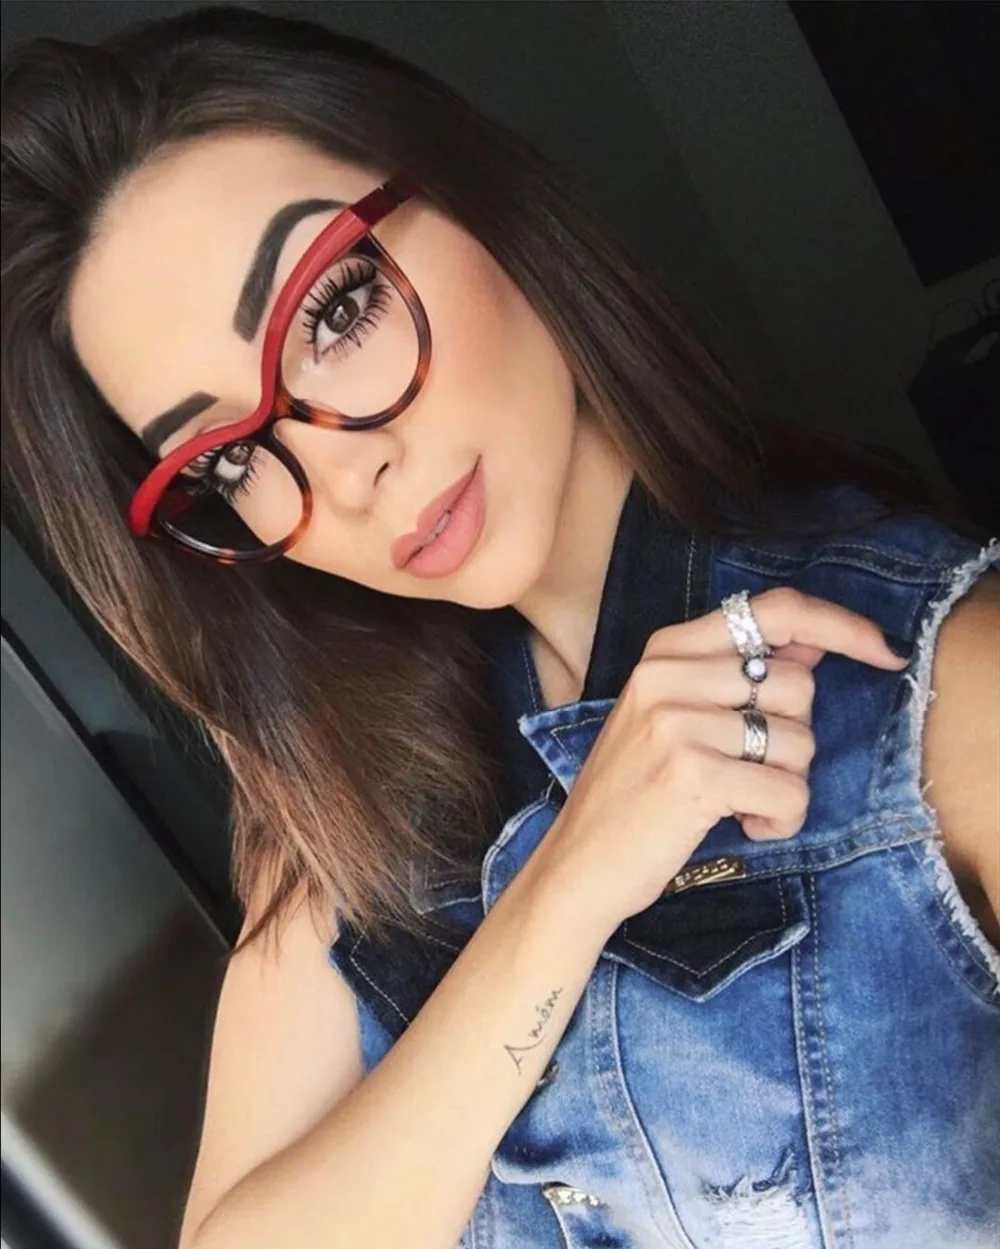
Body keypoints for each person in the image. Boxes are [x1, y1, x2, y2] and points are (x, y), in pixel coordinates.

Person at [2, 7, 997, 1247]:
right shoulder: (337, 814)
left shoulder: (939, 686)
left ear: (479, 194)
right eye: (229, 458)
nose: (343, 472)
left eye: (335, 310)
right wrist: (566, 887)